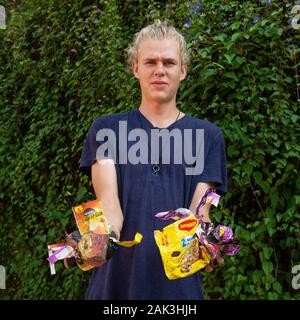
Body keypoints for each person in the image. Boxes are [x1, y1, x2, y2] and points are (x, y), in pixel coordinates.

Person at [80, 20, 227, 300]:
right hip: (114, 287)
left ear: (182, 70)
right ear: (136, 68)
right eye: (150, 62)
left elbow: (199, 213)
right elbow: (109, 205)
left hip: (179, 293)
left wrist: (209, 243)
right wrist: (93, 244)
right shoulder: (106, 130)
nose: (160, 70)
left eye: (169, 62)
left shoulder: (208, 136)